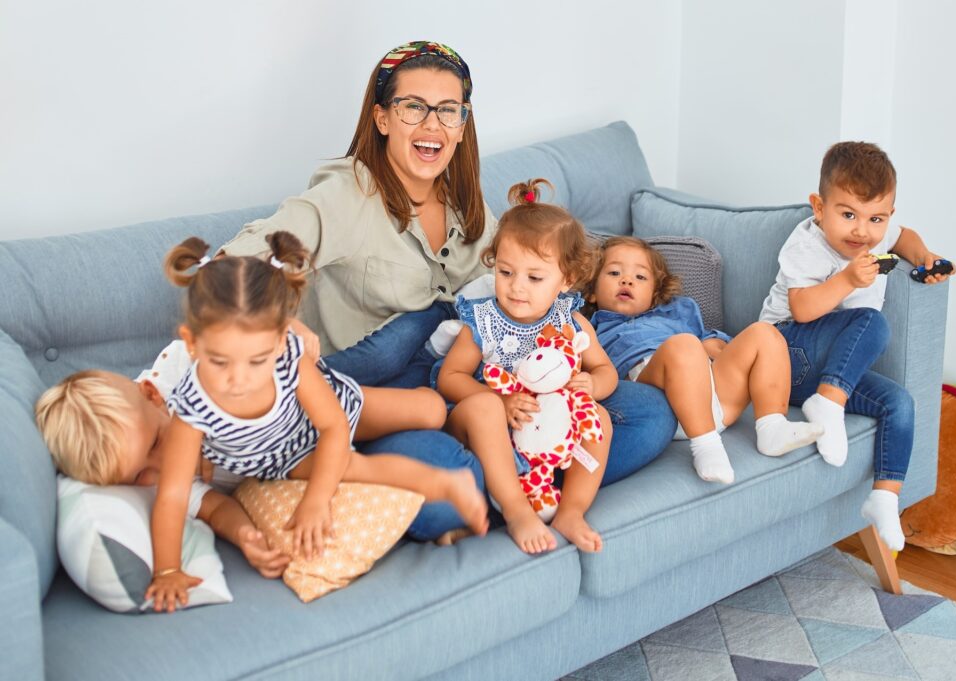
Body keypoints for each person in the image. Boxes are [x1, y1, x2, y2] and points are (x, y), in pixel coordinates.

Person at [218, 40, 677, 540]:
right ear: (382, 118)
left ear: (462, 124)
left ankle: (518, 482)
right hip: (387, 396)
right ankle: (516, 485)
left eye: (447, 110)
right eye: (413, 107)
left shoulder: (465, 199)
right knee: (444, 493)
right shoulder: (344, 195)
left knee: (649, 413)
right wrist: (280, 323)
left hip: (478, 382)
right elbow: (233, 266)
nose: (431, 125)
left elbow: (533, 276)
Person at [147, 232, 488, 612]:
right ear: (191, 344)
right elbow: (173, 495)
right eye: (220, 362)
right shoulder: (190, 410)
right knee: (355, 466)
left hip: (328, 416)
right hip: (285, 460)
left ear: (279, 344)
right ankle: (446, 483)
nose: (239, 379)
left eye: (256, 361)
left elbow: (333, 427)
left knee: (431, 411)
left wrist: (317, 499)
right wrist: (166, 569)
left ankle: (440, 378)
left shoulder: (289, 359)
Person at [759, 141, 955, 551]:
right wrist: (847, 280)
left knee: (899, 402)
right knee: (871, 321)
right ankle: (827, 404)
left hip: (830, 370)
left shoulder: (877, 237)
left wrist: (924, 258)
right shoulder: (806, 244)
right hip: (783, 356)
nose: (862, 231)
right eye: (847, 215)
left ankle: (884, 497)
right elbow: (802, 309)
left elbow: (907, 238)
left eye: (875, 218)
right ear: (819, 207)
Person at [437, 179, 614, 554]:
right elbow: (448, 378)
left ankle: (572, 510)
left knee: (599, 417)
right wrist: (498, 401)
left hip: (544, 431)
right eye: (505, 272)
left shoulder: (570, 323)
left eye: (534, 277)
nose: (516, 287)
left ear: (565, 280)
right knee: (484, 407)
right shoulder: (483, 321)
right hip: (484, 425)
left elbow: (605, 370)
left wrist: (592, 386)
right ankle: (517, 511)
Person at [34, 350, 291, 582]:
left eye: (155, 442)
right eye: (139, 476)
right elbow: (216, 509)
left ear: (151, 394)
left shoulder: (186, 370)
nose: (163, 465)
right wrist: (245, 535)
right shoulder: (159, 486)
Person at [586, 236, 823, 484]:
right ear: (592, 291)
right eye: (614, 273)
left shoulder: (679, 312)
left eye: (641, 277)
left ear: (655, 294)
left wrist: (715, 345)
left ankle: (772, 427)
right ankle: (706, 447)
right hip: (658, 401)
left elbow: (709, 339)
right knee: (684, 345)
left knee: (764, 332)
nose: (626, 280)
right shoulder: (590, 328)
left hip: (714, 398)